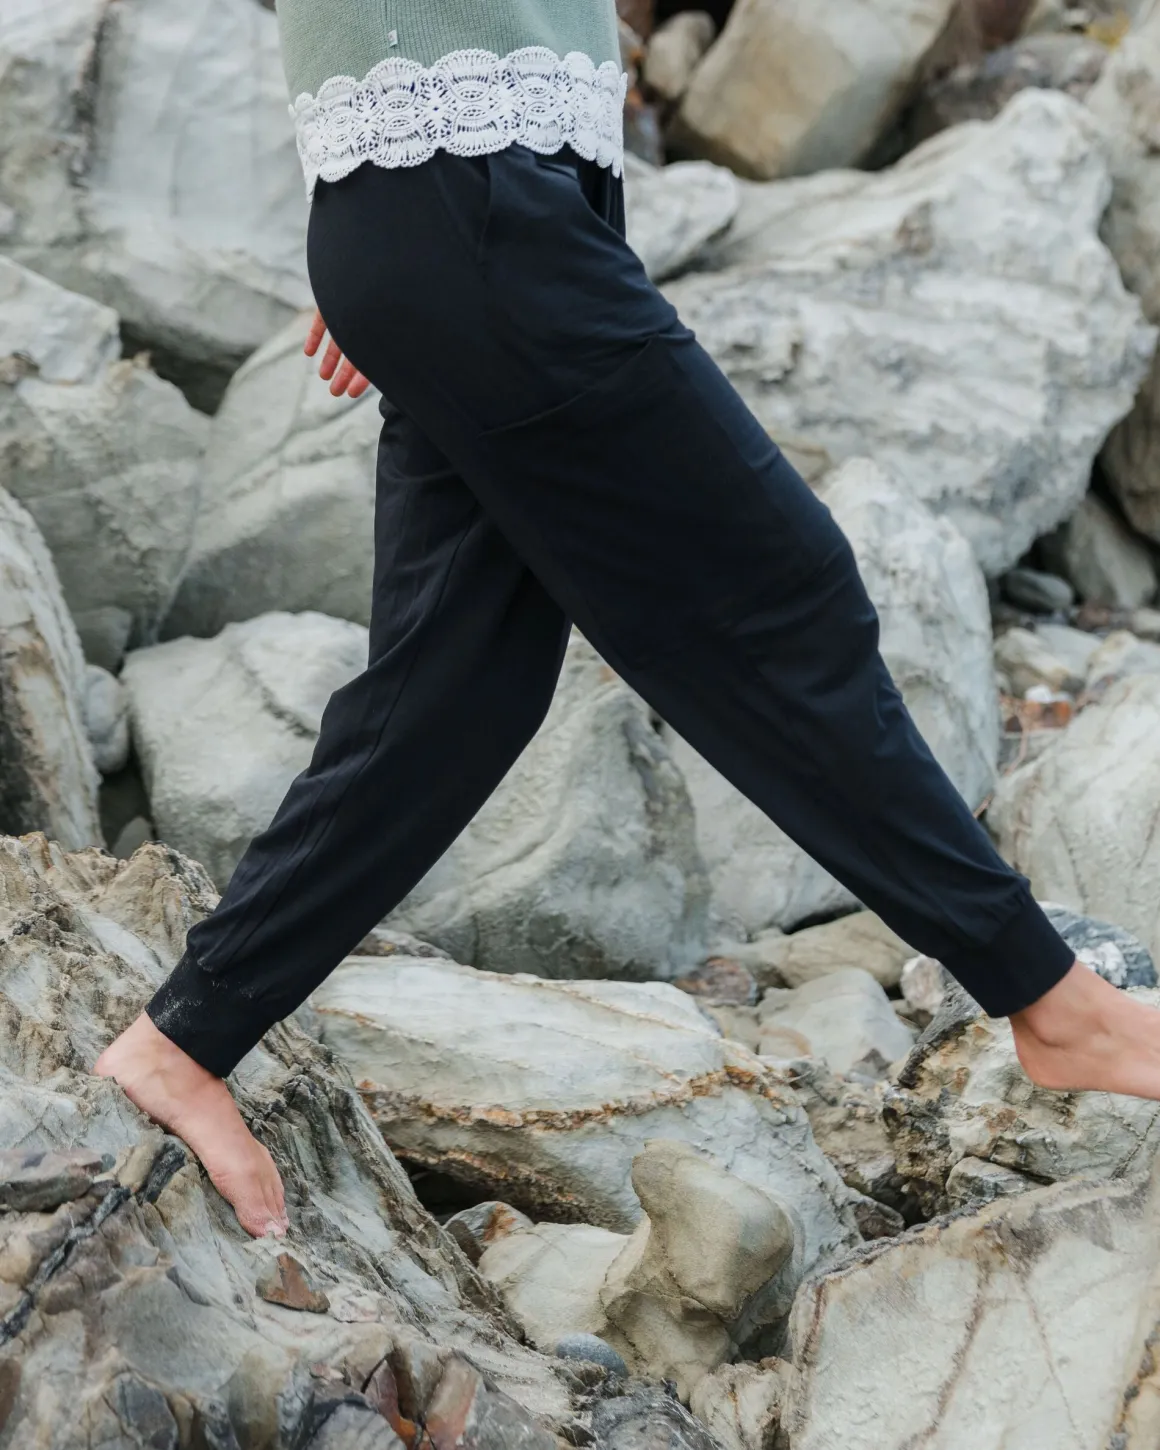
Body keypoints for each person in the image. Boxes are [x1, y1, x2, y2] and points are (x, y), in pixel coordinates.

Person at [94, 0, 1160, 1239]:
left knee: (455, 688)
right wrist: (383, 187)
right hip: (460, 199)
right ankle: (1050, 1000)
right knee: (779, 596)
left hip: (474, 196)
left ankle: (183, 1038)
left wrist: (378, 204)